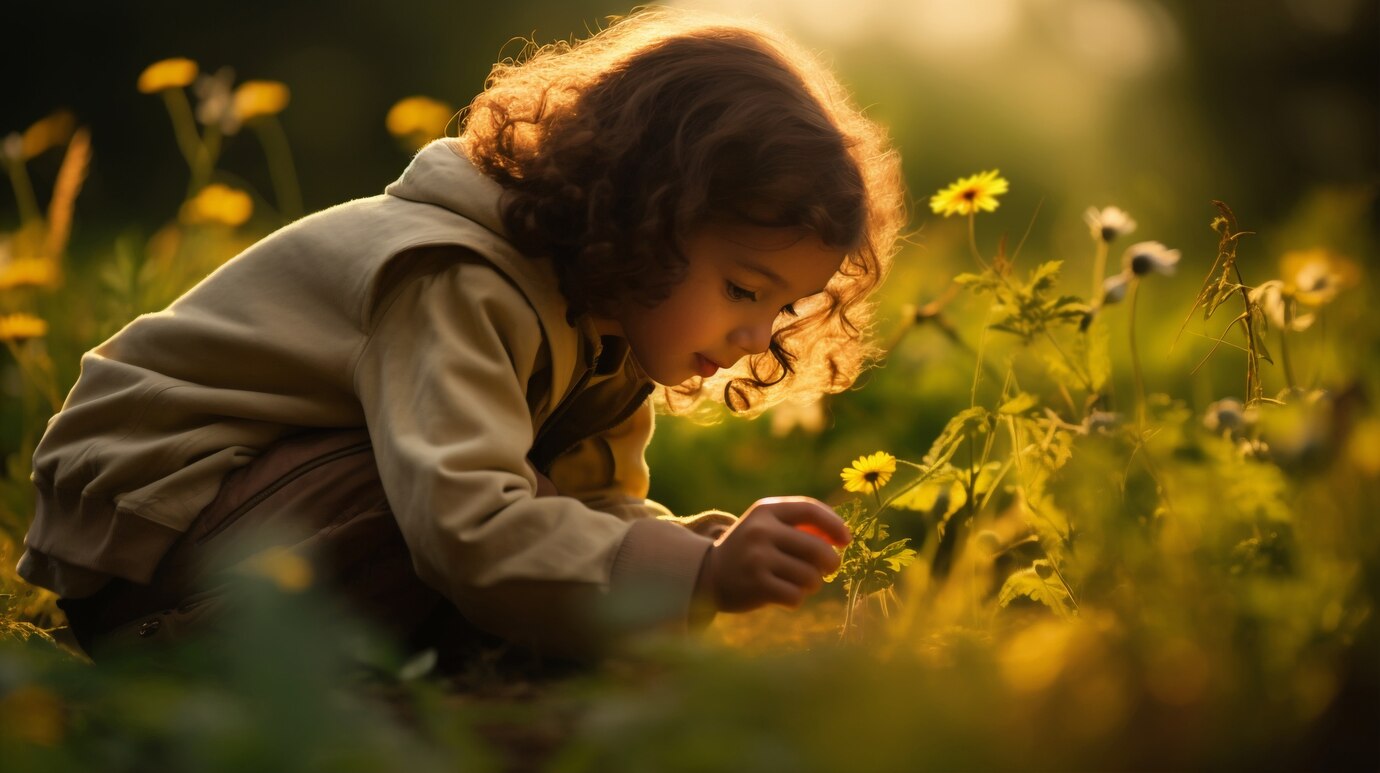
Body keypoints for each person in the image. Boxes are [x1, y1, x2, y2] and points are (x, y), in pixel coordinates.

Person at [16, 8, 906, 663]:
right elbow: (466, 528)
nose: (755, 336)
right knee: (438, 497)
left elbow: (591, 515)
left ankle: (438, 688)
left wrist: (712, 557)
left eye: (782, 309)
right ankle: (263, 685)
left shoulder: (605, 332)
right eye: (743, 288)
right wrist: (697, 580)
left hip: (264, 524)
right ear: (647, 210)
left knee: (537, 520)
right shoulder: (456, 275)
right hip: (151, 552)